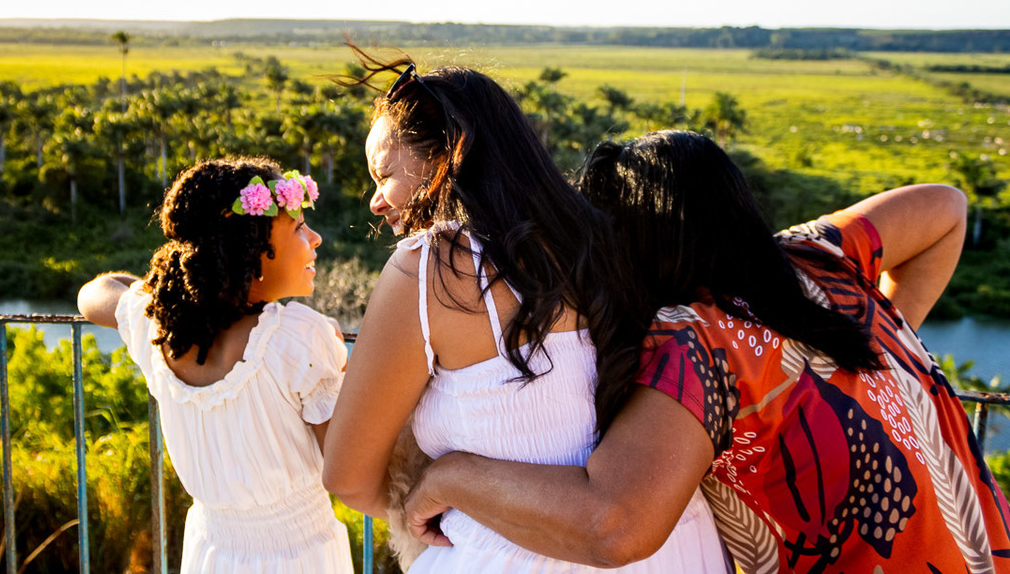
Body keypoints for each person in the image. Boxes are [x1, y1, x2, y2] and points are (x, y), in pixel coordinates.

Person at [403, 130, 1010, 572]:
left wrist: (448, 476)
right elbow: (945, 210)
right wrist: (869, 349)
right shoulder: (814, 257)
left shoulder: (693, 338)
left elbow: (614, 528)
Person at [322, 63, 730, 572]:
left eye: (383, 175)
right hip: (674, 545)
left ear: (452, 147)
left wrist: (434, 510)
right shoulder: (608, 238)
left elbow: (348, 476)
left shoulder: (428, 269)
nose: (377, 201)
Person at [78, 157, 353, 574]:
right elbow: (348, 468)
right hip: (302, 555)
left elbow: (96, 293)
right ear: (249, 248)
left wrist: (163, 297)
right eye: (298, 228)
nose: (315, 238)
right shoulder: (297, 338)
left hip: (213, 552)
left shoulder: (162, 330)